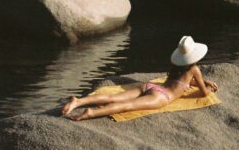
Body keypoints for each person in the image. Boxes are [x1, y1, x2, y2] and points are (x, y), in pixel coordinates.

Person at [61, 35, 217, 121]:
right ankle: (91, 113)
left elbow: (182, 81)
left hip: (150, 86)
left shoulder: (176, 67)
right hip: (163, 96)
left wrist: (202, 82)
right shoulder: (194, 69)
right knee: (127, 106)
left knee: (113, 97)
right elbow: (203, 93)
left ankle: (79, 101)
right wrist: (208, 87)